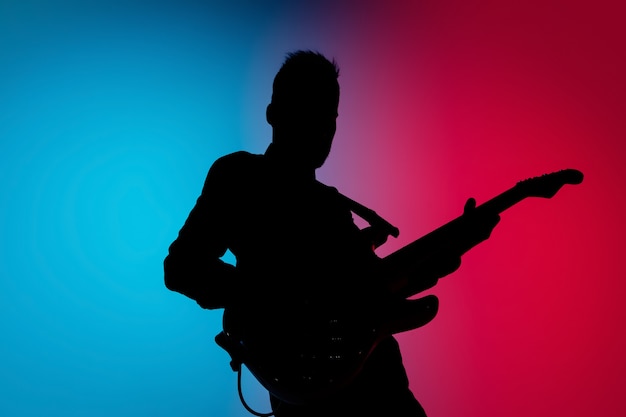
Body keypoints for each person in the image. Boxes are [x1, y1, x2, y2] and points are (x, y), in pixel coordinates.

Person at [164, 50, 499, 416]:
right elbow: (182, 267)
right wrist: (281, 295)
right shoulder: (239, 176)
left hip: (381, 387)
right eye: (310, 111)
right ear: (273, 114)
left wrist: (459, 243)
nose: (323, 129)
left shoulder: (334, 208)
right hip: (315, 395)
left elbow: (376, 291)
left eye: (330, 117)